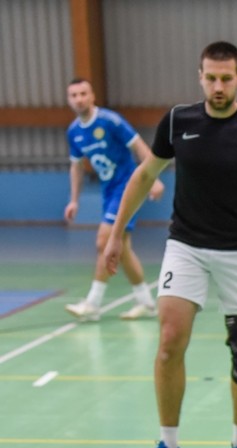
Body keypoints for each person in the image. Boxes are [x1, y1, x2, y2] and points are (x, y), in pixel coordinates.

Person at [102, 41, 237, 448]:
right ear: (200, 77)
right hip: (186, 246)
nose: (218, 86)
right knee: (170, 339)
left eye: (226, 78)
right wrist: (116, 235)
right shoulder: (178, 121)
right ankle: (168, 445)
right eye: (211, 78)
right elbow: (144, 175)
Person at [63, 77, 165, 322]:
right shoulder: (74, 132)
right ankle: (146, 303)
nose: (79, 99)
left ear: (92, 96)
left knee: (104, 240)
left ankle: (93, 303)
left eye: (83, 94)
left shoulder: (110, 121)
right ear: (69, 100)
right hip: (108, 191)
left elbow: (139, 146)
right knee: (123, 248)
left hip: (127, 187)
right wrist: (74, 200)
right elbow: (76, 167)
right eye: (74, 95)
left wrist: (153, 178)